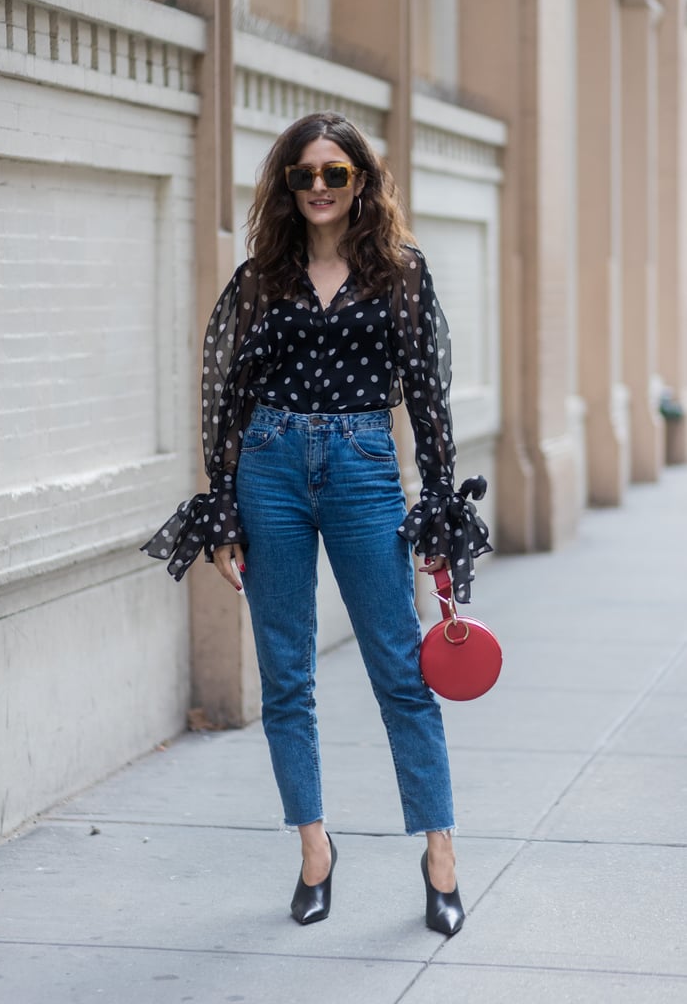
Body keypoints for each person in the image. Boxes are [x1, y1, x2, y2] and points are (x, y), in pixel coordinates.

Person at [142, 112, 492, 934]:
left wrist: (438, 507)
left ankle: (439, 852)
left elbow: (429, 401)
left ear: (361, 181)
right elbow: (224, 396)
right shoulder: (260, 276)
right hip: (268, 468)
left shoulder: (403, 275)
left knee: (402, 671)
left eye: (336, 173)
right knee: (286, 675)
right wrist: (222, 505)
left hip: (365, 468)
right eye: (305, 174)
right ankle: (313, 849)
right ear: (286, 185)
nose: (321, 187)